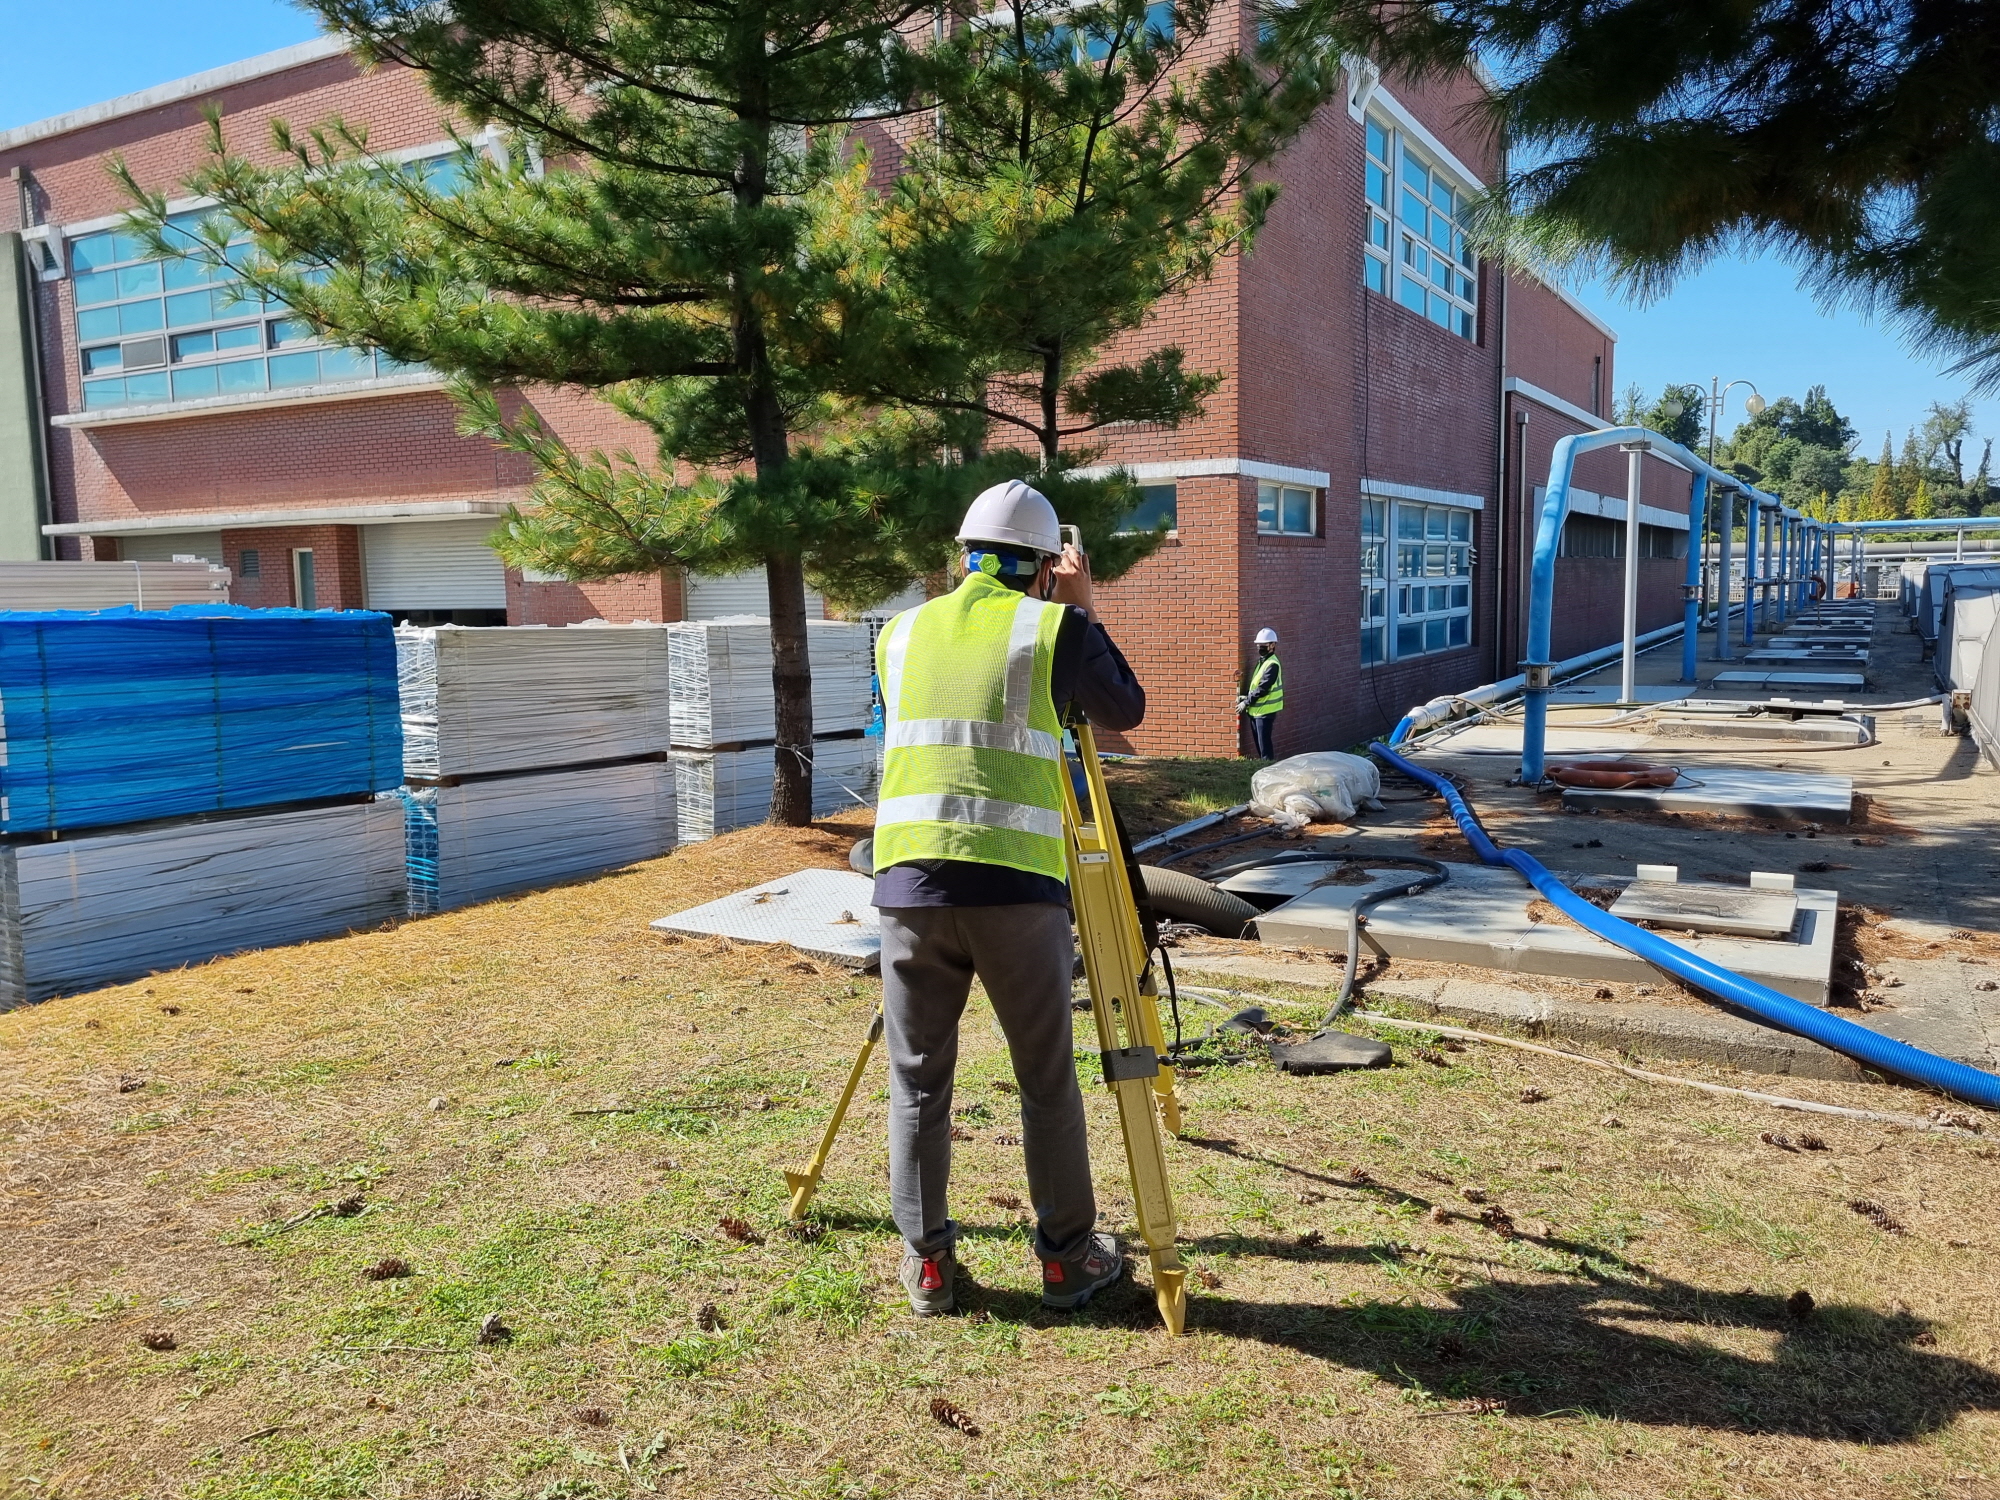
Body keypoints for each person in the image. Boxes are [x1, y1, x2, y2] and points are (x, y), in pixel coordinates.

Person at [871, 478, 1146, 1317]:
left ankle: (927, 1267)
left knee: (917, 1084)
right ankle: (1065, 1260)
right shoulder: (1052, 625)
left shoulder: (901, 632)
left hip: (909, 887)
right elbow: (1124, 710)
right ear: (1043, 568)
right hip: (1015, 890)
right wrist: (1084, 606)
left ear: (962, 557)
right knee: (1044, 1078)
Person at [1238, 627, 1284, 759]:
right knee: (1260, 745)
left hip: (1265, 711)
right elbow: (1256, 685)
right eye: (1259, 645)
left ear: (1273, 645)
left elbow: (1263, 688)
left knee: (1264, 747)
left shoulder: (1272, 664)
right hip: (1256, 711)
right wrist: (1247, 696)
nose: (1260, 647)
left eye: (1264, 645)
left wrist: (1246, 702)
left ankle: (1268, 770)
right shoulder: (1262, 662)